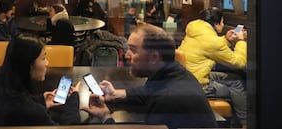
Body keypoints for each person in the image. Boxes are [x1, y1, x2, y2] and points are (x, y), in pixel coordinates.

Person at [81, 23, 217, 129]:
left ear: (153, 58)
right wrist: (115, 94)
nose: (126, 55)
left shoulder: (167, 100)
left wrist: (106, 117)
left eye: (133, 50)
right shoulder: (173, 73)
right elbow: (149, 91)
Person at [0, 33, 81, 126]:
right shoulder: (33, 112)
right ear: (28, 65)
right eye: (43, 58)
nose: (47, 63)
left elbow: (18, 95)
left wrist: (42, 100)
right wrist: (74, 99)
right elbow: (70, 128)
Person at [178, 7, 247, 127]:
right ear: (217, 23)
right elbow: (240, 62)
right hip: (199, 85)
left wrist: (226, 39)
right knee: (236, 84)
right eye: (222, 22)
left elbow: (207, 44)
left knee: (233, 78)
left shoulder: (194, 30)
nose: (223, 24)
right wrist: (241, 41)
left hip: (188, 78)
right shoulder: (213, 42)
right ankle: (245, 122)